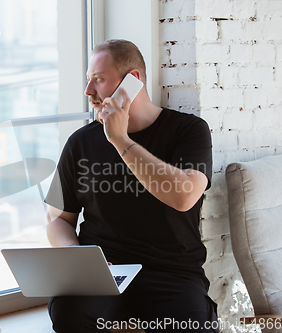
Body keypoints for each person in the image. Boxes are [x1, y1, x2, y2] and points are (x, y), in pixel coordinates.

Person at [44, 39, 217, 332]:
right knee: (68, 312)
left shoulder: (188, 130)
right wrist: (77, 257)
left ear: (132, 81)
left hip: (172, 274)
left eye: (98, 80)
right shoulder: (81, 142)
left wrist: (121, 140)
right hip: (103, 273)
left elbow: (184, 196)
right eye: (88, 81)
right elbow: (56, 219)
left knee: (193, 326)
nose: (89, 92)